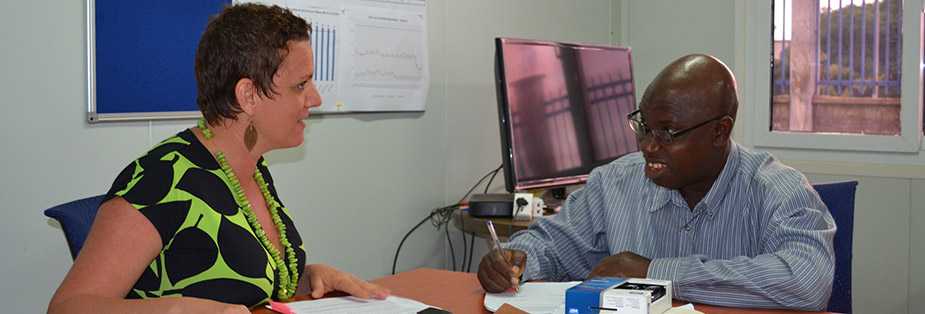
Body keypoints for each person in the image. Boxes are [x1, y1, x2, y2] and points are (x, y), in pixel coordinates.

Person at [48, 4, 388, 313]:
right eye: (301, 85)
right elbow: (68, 307)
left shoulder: (250, 171)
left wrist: (310, 278)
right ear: (249, 95)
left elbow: (240, 285)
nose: (314, 98)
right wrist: (174, 311)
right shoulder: (160, 181)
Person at [477, 54, 836, 311]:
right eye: (644, 126)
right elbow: (551, 244)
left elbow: (808, 281)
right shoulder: (615, 183)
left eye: (668, 132)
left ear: (719, 131)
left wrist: (653, 272)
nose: (648, 145)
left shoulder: (778, 189)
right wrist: (517, 260)